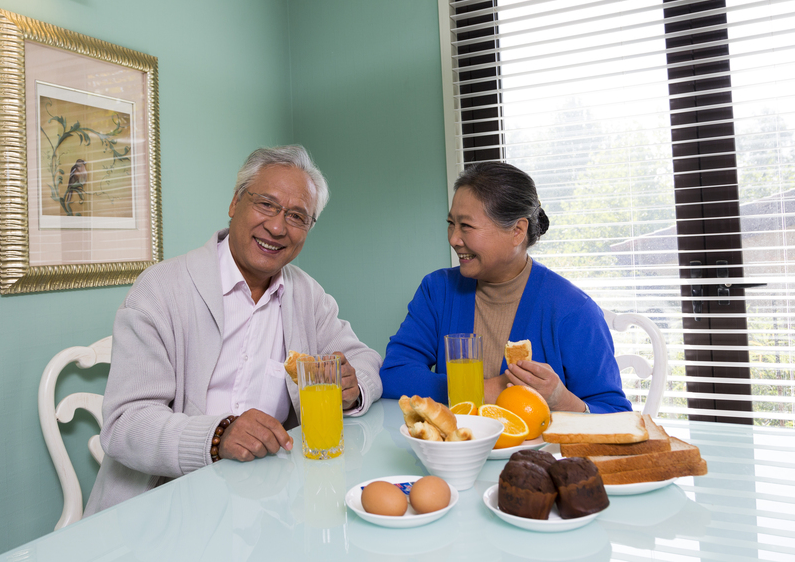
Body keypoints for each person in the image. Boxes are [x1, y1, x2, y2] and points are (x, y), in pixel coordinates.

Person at [85, 145, 383, 515]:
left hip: (270, 501)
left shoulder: (307, 294)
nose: (277, 227)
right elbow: (125, 425)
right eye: (266, 205)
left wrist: (354, 389)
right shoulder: (161, 289)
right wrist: (218, 436)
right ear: (234, 203)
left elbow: (363, 360)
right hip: (165, 504)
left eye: (296, 216)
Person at [379, 162, 630, 414]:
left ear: (517, 231)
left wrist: (561, 400)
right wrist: (487, 389)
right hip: (456, 451)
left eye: (466, 226)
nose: (454, 239)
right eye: (451, 223)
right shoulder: (437, 291)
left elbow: (616, 413)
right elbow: (394, 374)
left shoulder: (574, 309)